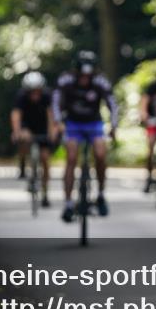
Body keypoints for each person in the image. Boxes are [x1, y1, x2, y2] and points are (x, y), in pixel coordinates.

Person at [52, 50, 119, 223]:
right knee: (72, 157)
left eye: (87, 76)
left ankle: (101, 195)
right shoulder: (66, 80)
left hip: (94, 124)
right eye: (82, 75)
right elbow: (56, 101)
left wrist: (113, 125)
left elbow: (112, 102)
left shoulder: (100, 81)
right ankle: (68, 202)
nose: (84, 79)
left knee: (100, 154)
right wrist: (58, 122)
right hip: (73, 124)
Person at [10, 71, 57, 208]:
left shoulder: (48, 96)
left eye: (37, 91)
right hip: (27, 126)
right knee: (24, 138)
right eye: (32, 91)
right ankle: (23, 165)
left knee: (45, 159)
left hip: (42, 127)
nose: (35, 94)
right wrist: (16, 131)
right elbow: (16, 115)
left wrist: (52, 133)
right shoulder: (21, 97)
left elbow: (51, 116)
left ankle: (45, 193)